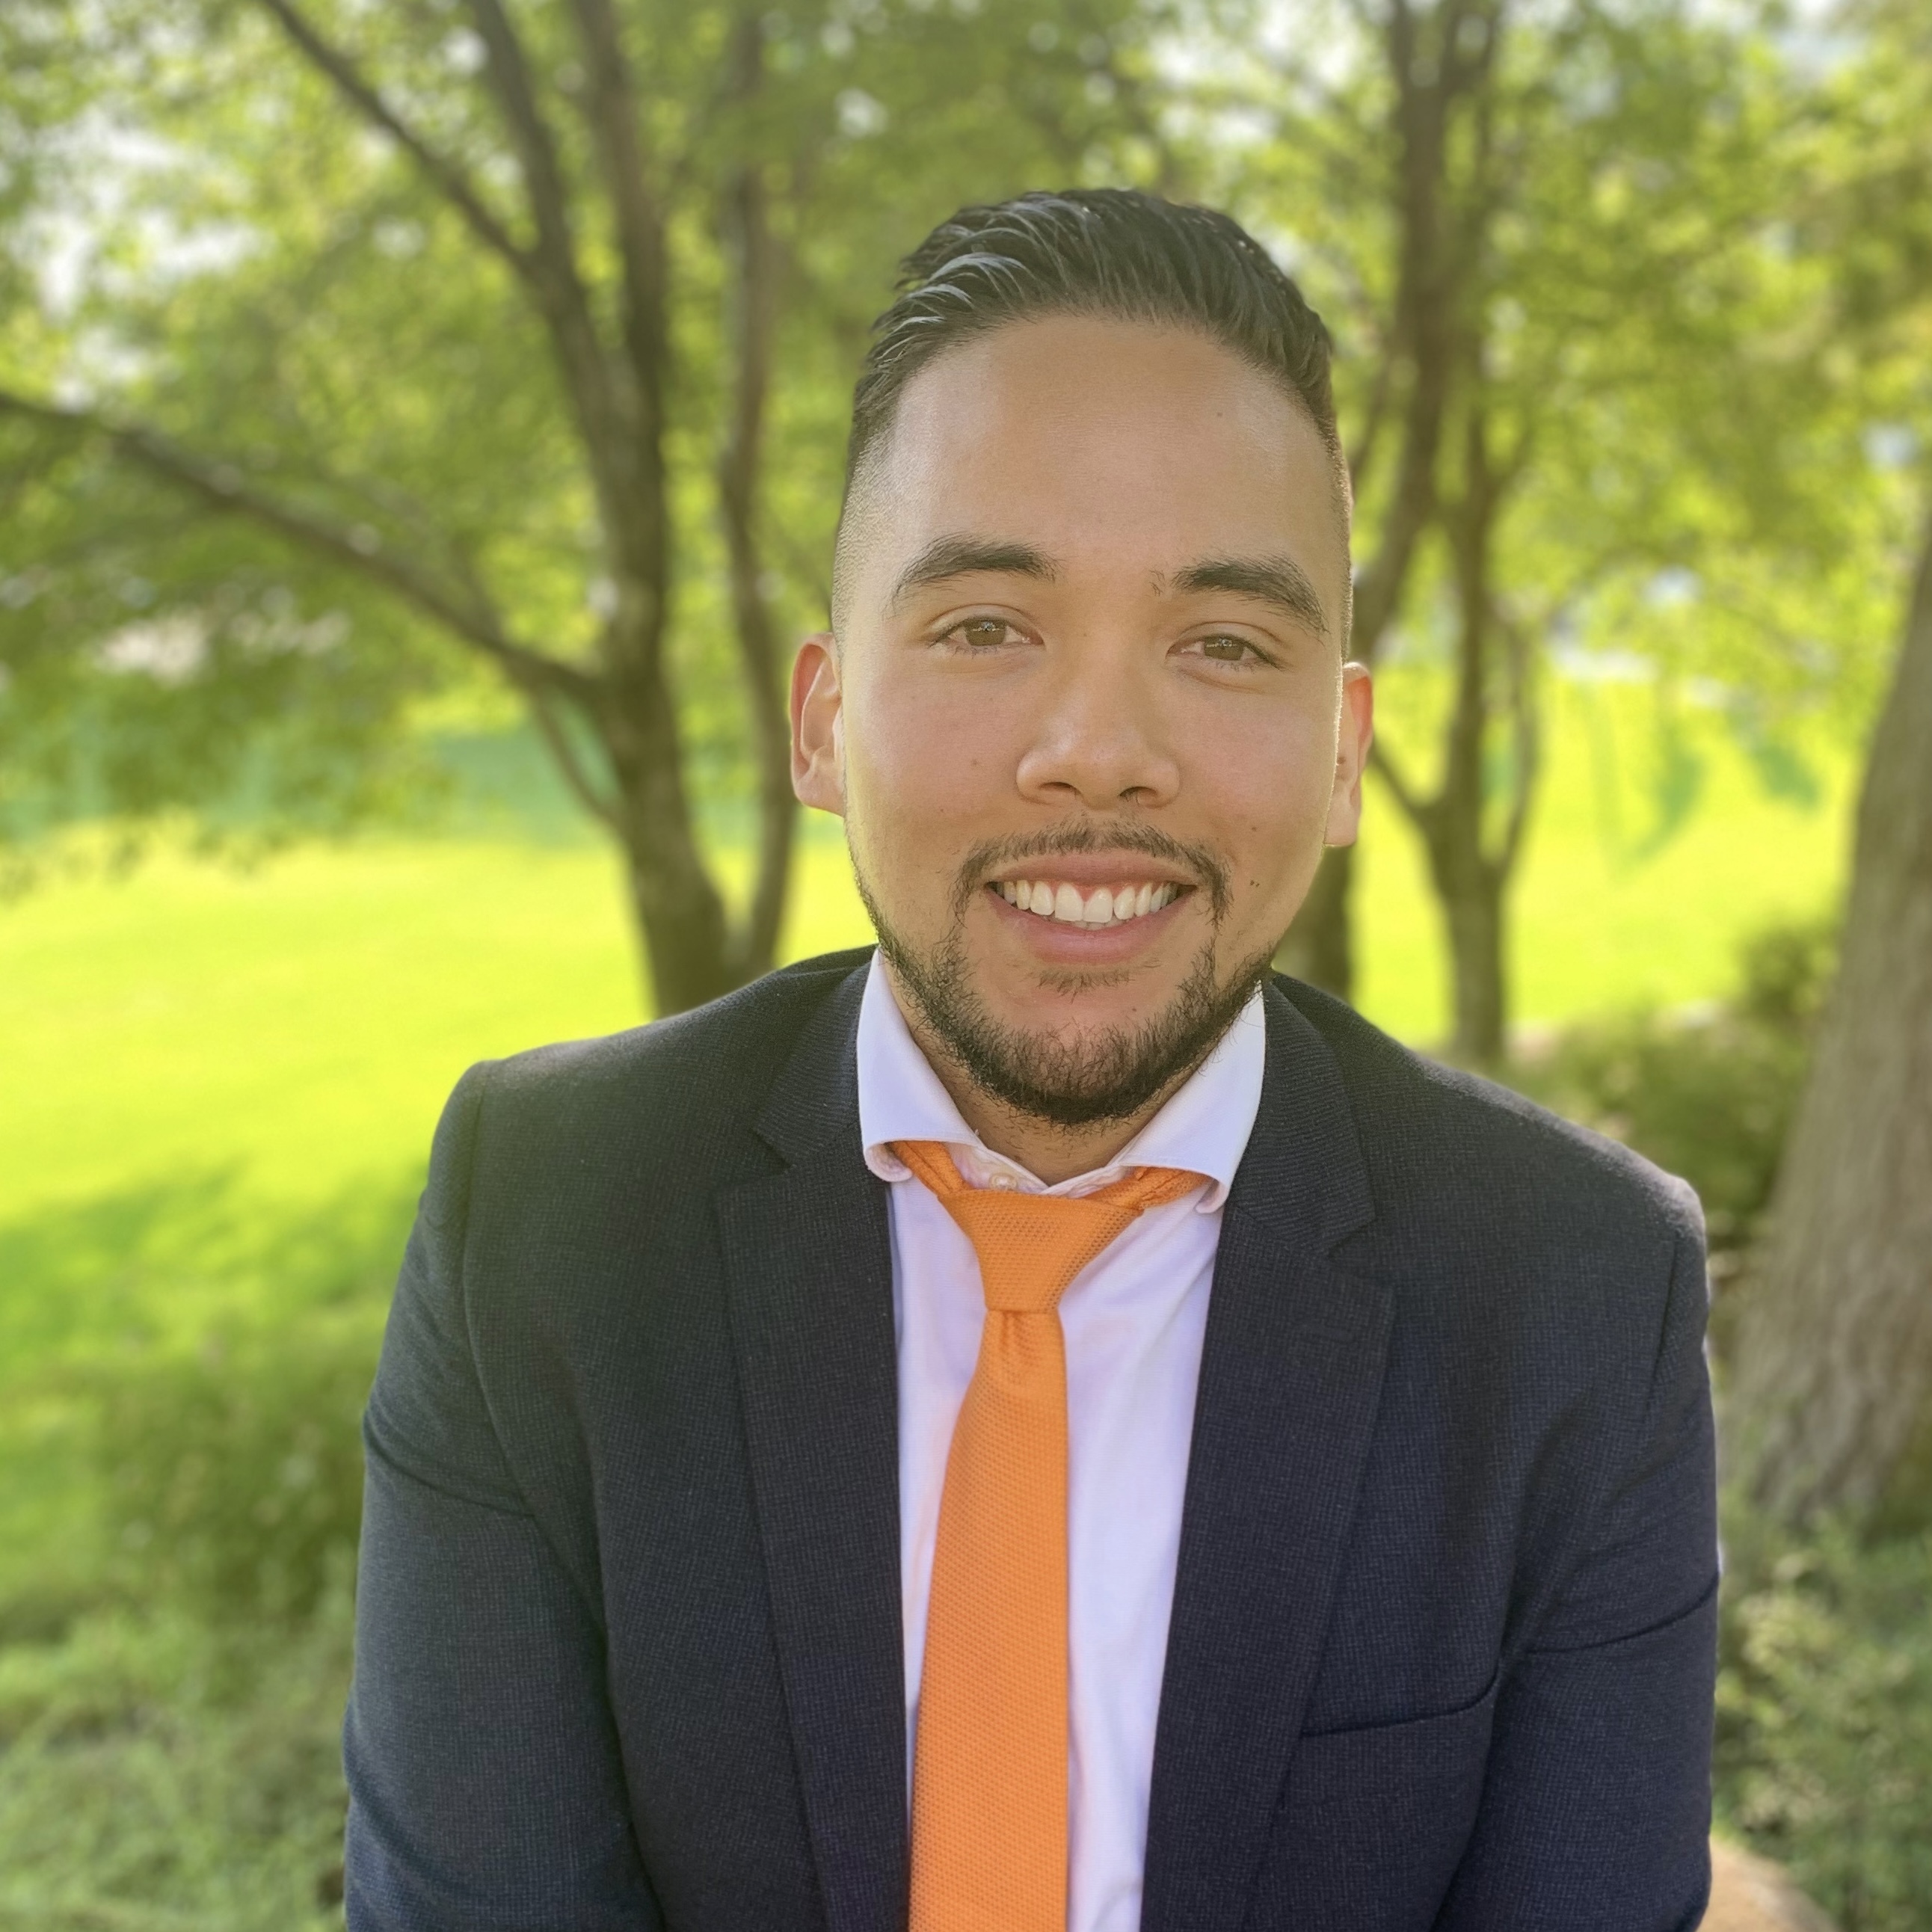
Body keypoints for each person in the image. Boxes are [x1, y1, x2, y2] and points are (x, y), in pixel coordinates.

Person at [342, 190, 1718, 1932]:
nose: (1095, 752)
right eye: (988, 624)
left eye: (1221, 643)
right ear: (823, 718)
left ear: (1345, 749)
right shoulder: (540, 1214)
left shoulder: (1576, 1288)